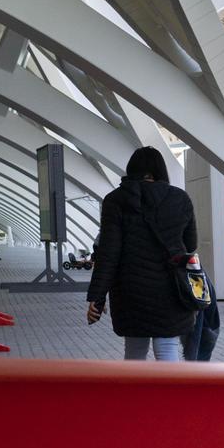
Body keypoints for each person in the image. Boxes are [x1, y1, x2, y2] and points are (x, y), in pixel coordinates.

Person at [85, 146, 199, 360]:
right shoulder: (180, 198)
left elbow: (108, 252)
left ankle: (134, 393)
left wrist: (97, 297)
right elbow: (190, 244)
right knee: (167, 347)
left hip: (131, 289)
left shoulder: (116, 200)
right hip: (171, 288)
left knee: (135, 350)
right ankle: (169, 394)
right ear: (160, 170)